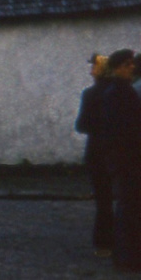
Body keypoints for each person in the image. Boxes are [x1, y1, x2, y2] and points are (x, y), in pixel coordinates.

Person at [104, 50, 141, 271]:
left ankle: (127, 257)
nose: (131, 68)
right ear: (117, 67)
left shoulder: (120, 91)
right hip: (128, 160)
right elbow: (126, 130)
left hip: (125, 159)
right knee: (129, 208)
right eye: (127, 65)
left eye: (131, 64)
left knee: (129, 208)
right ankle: (128, 259)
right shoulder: (120, 93)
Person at [79, 54, 114, 254]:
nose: (91, 70)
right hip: (117, 150)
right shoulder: (119, 91)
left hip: (97, 151)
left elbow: (81, 124)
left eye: (94, 67)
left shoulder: (91, 94)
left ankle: (103, 244)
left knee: (103, 200)